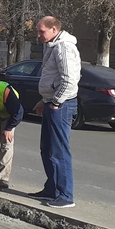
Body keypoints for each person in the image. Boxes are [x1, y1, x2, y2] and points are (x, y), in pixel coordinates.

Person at [30, 15, 81, 208]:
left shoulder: (64, 47)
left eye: (41, 31)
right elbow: (53, 77)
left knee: (59, 150)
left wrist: (56, 102)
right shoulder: (52, 46)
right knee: (47, 149)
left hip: (62, 105)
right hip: (52, 102)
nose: (38, 35)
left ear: (54, 29)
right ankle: (51, 188)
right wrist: (45, 100)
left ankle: (65, 195)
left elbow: (69, 80)